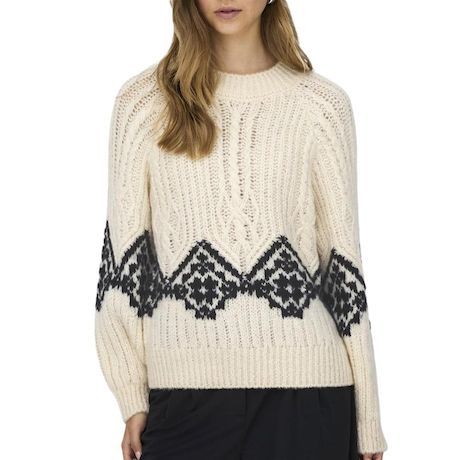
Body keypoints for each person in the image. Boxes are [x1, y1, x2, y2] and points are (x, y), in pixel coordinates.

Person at [94, 1, 388, 459]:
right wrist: (131, 396)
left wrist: (368, 420)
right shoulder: (144, 102)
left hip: (309, 390)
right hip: (183, 397)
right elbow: (123, 267)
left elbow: (343, 266)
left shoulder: (322, 105)